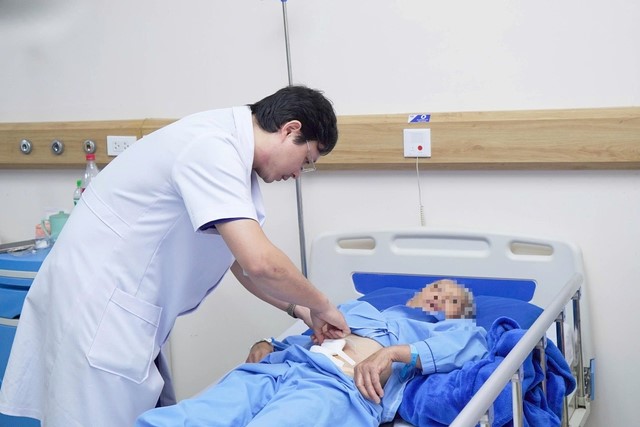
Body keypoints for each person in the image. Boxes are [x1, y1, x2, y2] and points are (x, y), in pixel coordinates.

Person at [0, 86, 350, 427]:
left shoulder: (226, 150)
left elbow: (239, 261)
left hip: (118, 312)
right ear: (290, 130)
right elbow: (259, 263)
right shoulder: (212, 148)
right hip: (97, 314)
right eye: (306, 161)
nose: (297, 174)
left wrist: (301, 310)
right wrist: (321, 305)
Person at [135, 280, 489, 427]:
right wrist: (268, 345)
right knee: (190, 417)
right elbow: (313, 333)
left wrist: (394, 353)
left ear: (461, 311)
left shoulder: (451, 330)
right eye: (435, 288)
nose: (438, 296)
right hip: (281, 368)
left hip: (337, 387)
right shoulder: (361, 309)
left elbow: (471, 346)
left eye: (451, 298)